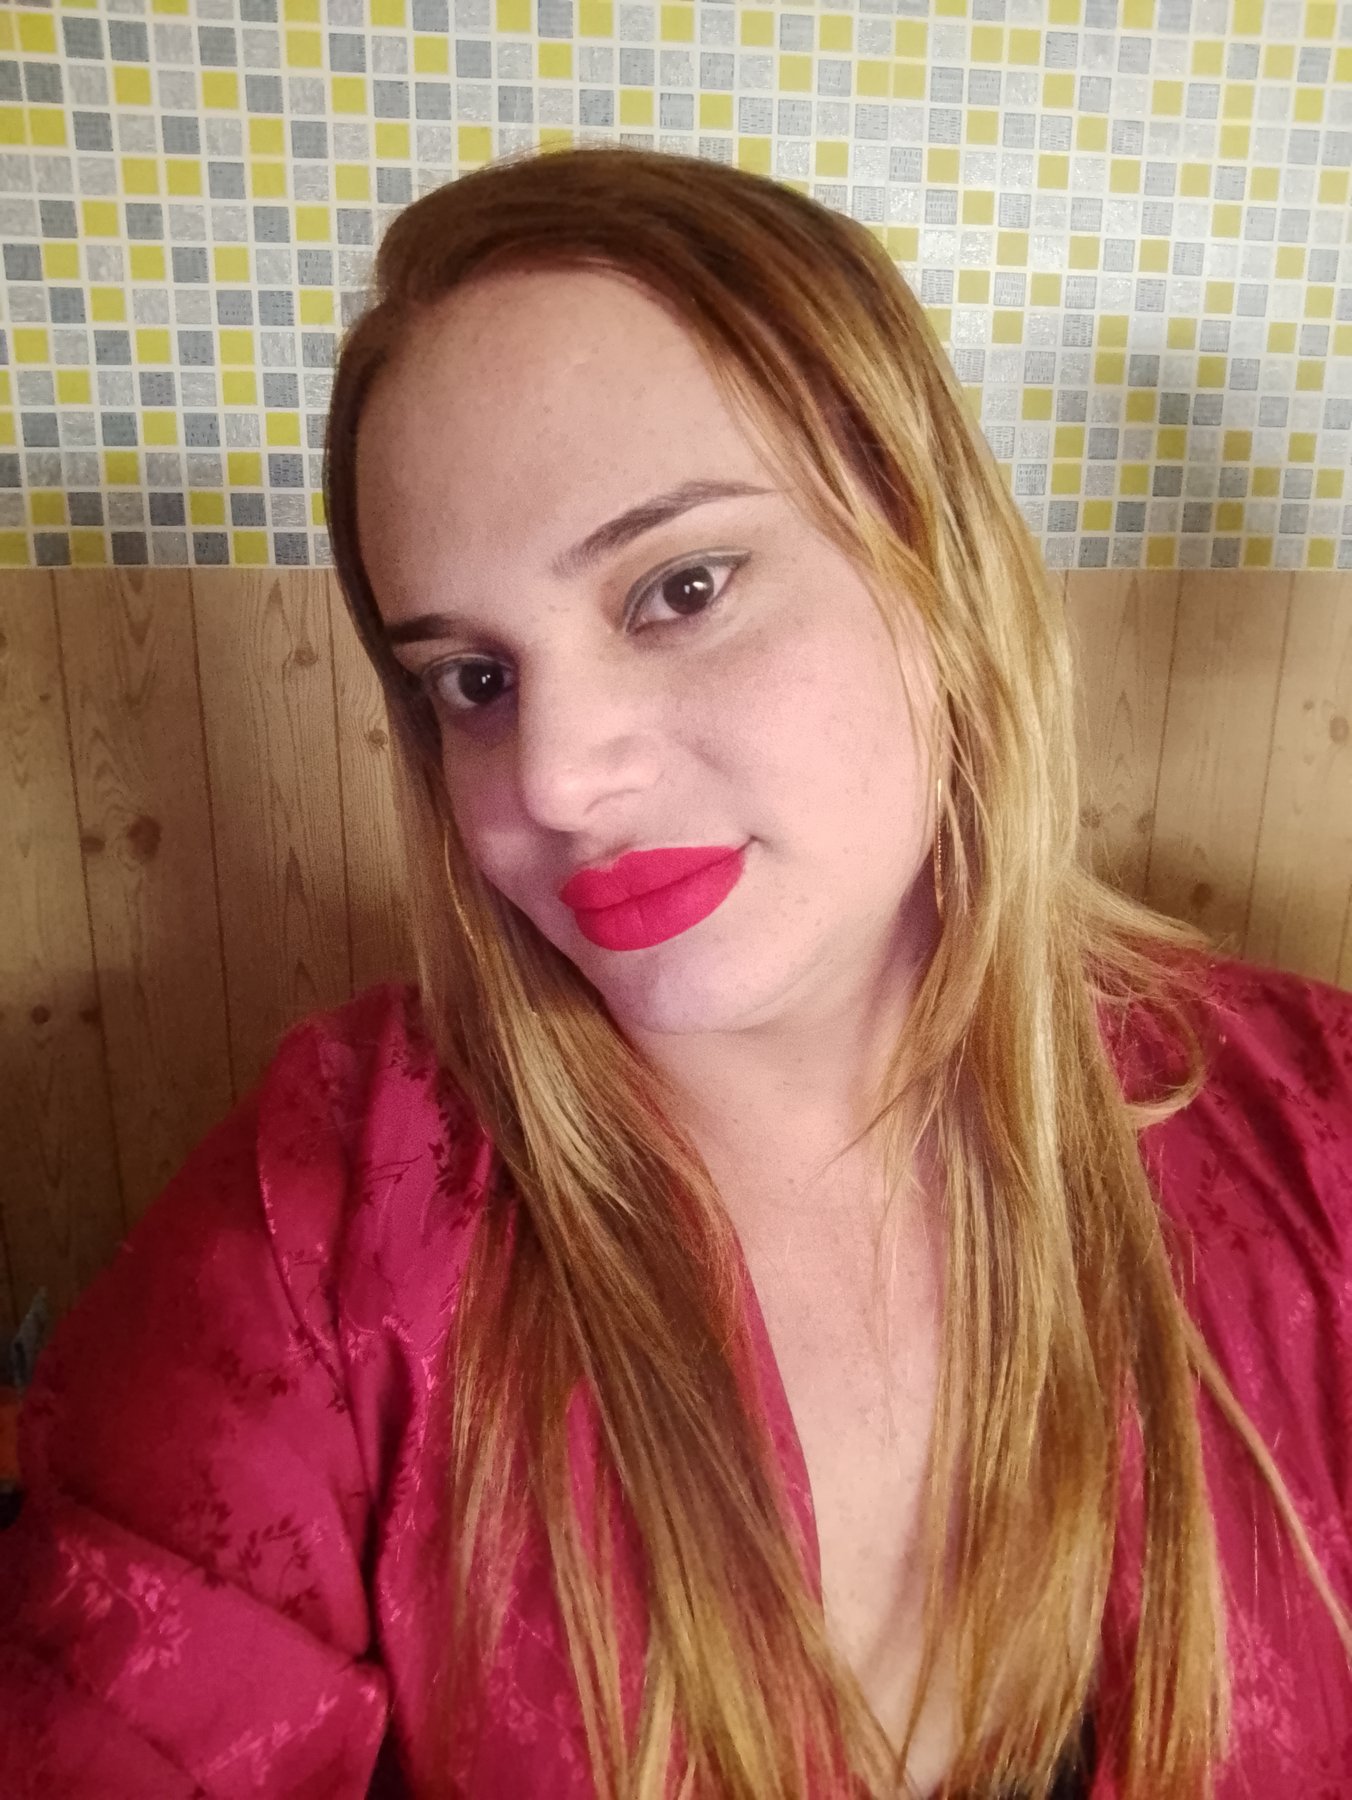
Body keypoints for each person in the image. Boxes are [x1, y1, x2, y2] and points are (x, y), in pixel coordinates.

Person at [0, 143, 1349, 1800]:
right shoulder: (325, 1221)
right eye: (472, 680)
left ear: (937, 568)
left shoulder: (1321, 1141)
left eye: (679, 589)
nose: (557, 778)